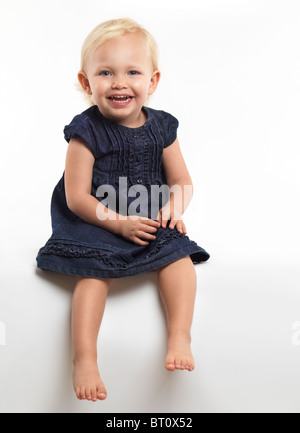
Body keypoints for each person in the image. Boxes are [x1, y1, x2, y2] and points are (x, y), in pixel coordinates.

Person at [36, 18, 210, 402]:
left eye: (133, 71)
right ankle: (84, 359)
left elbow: (182, 181)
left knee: (179, 257)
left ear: (153, 80)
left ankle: (180, 337)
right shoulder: (86, 131)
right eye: (105, 72)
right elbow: (76, 197)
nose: (119, 82)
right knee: (93, 275)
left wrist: (172, 209)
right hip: (95, 217)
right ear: (86, 83)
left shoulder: (162, 126)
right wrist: (117, 224)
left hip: (144, 215)